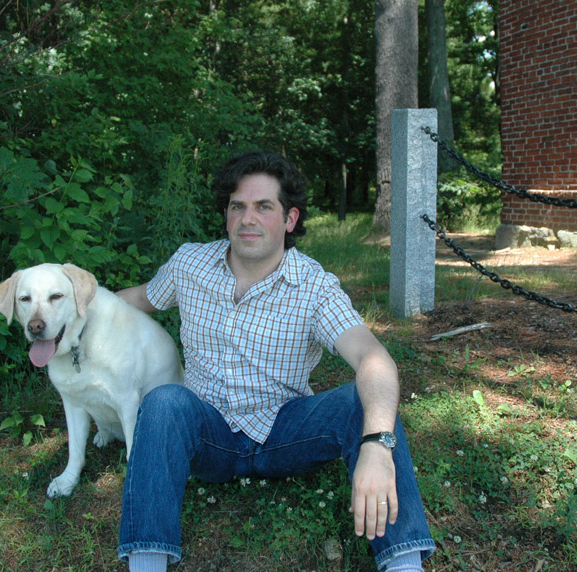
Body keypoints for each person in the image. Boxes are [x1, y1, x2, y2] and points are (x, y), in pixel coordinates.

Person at [116, 151, 434, 572]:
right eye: (237, 207)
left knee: (364, 403)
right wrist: (73, 307)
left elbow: (373, 357)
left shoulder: (314, 287)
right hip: (207, 433)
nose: (248, 219)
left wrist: (377, 447)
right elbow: (137, 300)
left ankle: (405, 564)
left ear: (289, 218)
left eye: (264, 207)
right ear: (227, 215)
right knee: (163, 401)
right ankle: (147, 563)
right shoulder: (188, 264)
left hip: (284, 433)